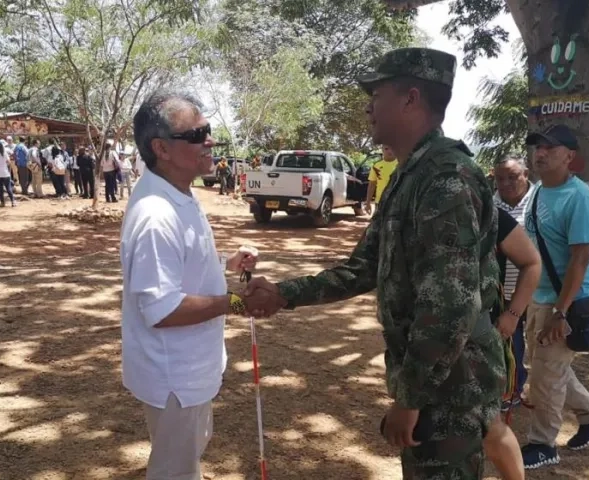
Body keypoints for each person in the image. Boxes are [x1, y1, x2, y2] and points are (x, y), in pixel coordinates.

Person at [244, 48, 506, 479]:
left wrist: (411, 399)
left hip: (451, 388)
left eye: (377, 93)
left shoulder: (445, 179)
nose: (368, 105)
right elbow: (362, 268)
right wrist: (282, 294)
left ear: (411, 98)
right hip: (432, 383)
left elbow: (450, 306)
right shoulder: (410, 175)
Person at [121, 91, 258, 480]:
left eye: (208, 131)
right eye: (196, 135)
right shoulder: (155, 215)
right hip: (174, 376)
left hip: (191, 368)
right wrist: (235, 303)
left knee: (187, 460)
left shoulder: (180, 192)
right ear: (161, 148)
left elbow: (179, 268)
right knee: (175, 471)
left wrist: (226, 263)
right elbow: (161, 309)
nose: (209, 141)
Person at [520, 125, 589, 469]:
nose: (540, 153)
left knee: (546, 375)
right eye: (536, 147)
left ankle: (543, 444)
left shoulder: (579, 198)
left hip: (565, 301)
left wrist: (561, 312)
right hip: (539, 295)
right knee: (550, 367)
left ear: (570, 156)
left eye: (550, 147)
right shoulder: (536, 192)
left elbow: (579, 260)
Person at [482, 207, 542, 480]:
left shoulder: (486, 212)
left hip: (482, 336)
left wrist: (513, 313)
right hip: (427, 339)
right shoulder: (410, 200)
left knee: (489, 425)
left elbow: (532, 262)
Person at [493, 156, 536, 407]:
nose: (506, 183)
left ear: (526, 174)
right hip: (506, 290)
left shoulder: (539, 202)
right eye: (500, 178)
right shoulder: (489, 204)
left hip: (540, 289)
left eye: (513, 176)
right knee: (512, 340)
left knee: (541, 347)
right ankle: (515, 388)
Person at [364, 145, 398, 215]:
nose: (389, 151)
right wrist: (368, 203)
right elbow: (371, 185)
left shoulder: (401, 164)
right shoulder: (376, 166)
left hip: (396, 201)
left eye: (392, 148)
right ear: (382, 150)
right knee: (378, 224)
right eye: (386, 149)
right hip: (380, 201)